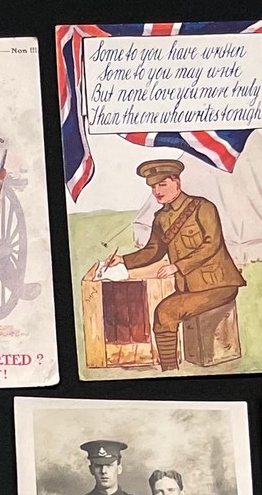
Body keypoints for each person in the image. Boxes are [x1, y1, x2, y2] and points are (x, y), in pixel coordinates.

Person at [88, 156, 243, 372]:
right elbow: (153, 251)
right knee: (162, 313)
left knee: (166, 312)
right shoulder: (161, 218)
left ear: (177, 181)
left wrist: (177, 266)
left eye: (162, 184)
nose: (157, 191)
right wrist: (123, 259)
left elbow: (212, 244)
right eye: (153, 187)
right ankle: (169, 369)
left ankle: (169, 371)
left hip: (218, 284)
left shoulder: (203, 207)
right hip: (189, 288)